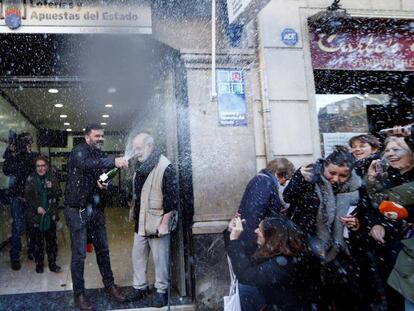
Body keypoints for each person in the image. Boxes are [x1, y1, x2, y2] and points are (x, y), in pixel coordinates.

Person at [283, 146, 369, 310]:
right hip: (308, 248)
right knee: (312, 297)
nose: (336, 179)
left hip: (342, 253)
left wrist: (356, 224)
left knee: (344, 296)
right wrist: (299, 178)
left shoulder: (357, 187)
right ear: (324, 167)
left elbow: (364, 216)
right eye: (332, 173)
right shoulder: (310, 177)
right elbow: (288, 196)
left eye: (343, 175)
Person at [64, 123, 128, 311]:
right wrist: (114, 161)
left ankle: (109, 286)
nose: (100, 139)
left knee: (103, 249)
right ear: (87, 137)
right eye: (96, 136)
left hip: (95, 209)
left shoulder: (99, 154)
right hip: (77, 211)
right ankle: (79, 295)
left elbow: (99, 172)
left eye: (102, 136)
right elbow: (86, 164)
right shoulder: (79, 152)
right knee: (79, 254)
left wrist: (103, 183)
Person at [128, 133, 178, 308]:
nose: (136, 151)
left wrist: (164, 224)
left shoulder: (166, 167)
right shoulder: (139, 164)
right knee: (138, 256)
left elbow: (172, 200)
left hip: (157, 223)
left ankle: (161, 292)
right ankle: (140, 287)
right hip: (141, 222)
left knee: (160, 259)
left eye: (139, 148)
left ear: (150, 146)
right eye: (135, 148)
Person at [224, 215, 313, 311]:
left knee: (245, 288)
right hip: (273, 302)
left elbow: (246, 276)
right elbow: (240, 254)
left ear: (272, 237)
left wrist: (234, 240)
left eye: (260, 229)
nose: (256, 231)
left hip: (285, 307)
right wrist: (230, 232)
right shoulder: (271, 250)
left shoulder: (283, 264)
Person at [365, 135, 414, 310]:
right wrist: (376, 223)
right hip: (396, 246)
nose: (391, 154)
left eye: (397, 149)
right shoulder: (389, 176)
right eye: (387, 150)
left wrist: (371, 181)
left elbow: (383, 200)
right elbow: (375, 207)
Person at [3, 132, 38, 270]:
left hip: (30, 197)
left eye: (30, 141)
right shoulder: (14, 156)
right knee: (17, 228)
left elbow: (36, 169)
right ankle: (15, 257)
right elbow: (6, 170)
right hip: (17, 197)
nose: (28, 143)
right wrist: (10, 152)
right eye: (26, 141)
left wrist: (28, 154)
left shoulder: (32, 156)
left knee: (31, 226)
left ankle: (31, 251)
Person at [25, 155, 62, 274]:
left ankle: (52, 264)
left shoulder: (52, 177)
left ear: (46, 166)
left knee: (51, 242)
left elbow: (59, 193)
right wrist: (37, 208)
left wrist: (51, 188)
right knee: (37, 243)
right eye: (38, 166)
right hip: (36, 216)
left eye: (43, 166)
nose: (41, 168)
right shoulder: (31, 179)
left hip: (50, 214)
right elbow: (27, 198)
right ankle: (39, 264)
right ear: (35, 167)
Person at [237, 159, 283, 251]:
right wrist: (255, 239)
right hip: (255, 236)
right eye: (285, 179)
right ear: (278, 174)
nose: (283, 183)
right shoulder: (264, 182)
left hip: (254, 234)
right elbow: (255, 211)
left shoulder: (262, 180)